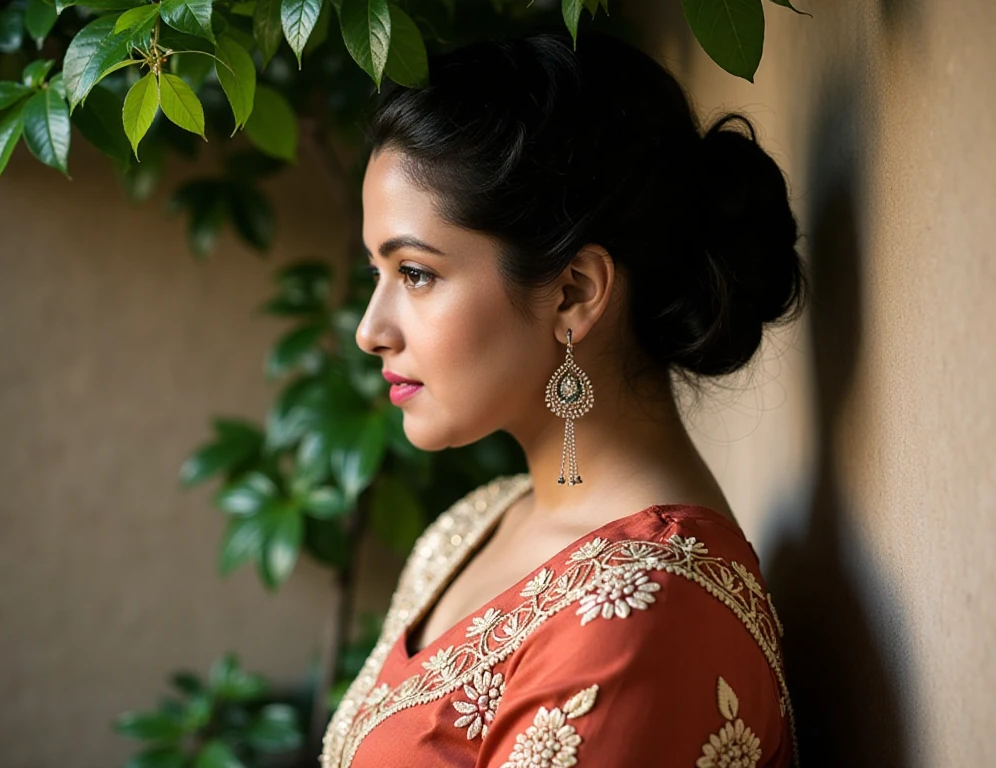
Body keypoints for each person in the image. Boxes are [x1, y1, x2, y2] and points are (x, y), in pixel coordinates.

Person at [321, 26, 808, 768]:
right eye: (377, 273)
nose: (370, 330)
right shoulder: (473, 525)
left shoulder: (645, 617)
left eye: (415, 273)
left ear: (574, 293)